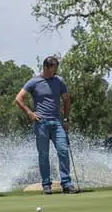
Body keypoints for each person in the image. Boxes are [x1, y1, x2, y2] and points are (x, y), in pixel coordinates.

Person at [14, 56, 80, 194]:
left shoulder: (59, 81)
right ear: (46, 67)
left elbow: (66, 99)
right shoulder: (34, 82)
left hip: (57, 122)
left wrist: (66, 119)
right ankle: (46, 184)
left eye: (56, 68)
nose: (55, 71)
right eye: (53, 68)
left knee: (63, 150)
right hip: (41, 123)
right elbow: (19, 98)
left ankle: (67, 184)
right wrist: (30, 113)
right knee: (43, 154)